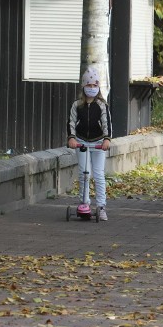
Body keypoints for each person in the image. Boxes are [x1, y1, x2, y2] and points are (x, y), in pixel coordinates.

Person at [67, 66, 112, 221]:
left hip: (98, 142)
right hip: (81, 142)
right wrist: (71, 138)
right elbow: (71, 122)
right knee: (84, 173)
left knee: (98, 174)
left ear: (98, 87)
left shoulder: (101, 105)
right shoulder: (77, 105)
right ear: (83, 86)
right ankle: (84, 203)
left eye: (94, 85)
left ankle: (101, 206)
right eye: (88, 85)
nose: (91, 88)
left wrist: (107, 139)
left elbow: (107, 123)